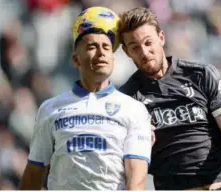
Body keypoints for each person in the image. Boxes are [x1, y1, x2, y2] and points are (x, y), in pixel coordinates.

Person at [19, 6, 152, 190]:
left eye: (106, 47)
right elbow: (34, 172)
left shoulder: (134, 110)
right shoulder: (50, 109)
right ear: (75, 59)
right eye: (92, 47)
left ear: (113, 59)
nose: (101, 53)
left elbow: (136, 180)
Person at [118, 7, 221, 190]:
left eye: (148, 43)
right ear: (126, 51)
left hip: (218, 186)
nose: (144, 52)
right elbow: (127, 160)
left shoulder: (202, 75)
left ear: (161, 38)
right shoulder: (127, 98)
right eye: (135, 47)